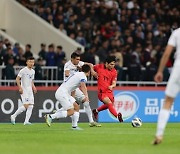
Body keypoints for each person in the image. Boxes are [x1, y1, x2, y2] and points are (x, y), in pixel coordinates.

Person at [153, 28, 180, 145]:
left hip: (178, 68)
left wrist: (160, 71)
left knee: (168, 101)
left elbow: (167, 53)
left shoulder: (177, 32)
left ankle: (159, 134)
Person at [45, 64, 91, 130]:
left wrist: (72, 98)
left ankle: (74, 126)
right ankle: (51, 116)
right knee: (71, 111)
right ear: (89, 71)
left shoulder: (77, 74)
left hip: (65, 93)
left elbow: (73, 87)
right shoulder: (83, 76)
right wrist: (86, 96)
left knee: (76, 106)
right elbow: (83, 86)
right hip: (62, 93)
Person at [63, 52, 101, 127]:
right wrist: (76, 71)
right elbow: (67, 74)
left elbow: (90, 64)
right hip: (68, 88)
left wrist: (92, 72)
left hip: (75, 88)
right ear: (72, 59)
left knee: (86, 102)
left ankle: (91, 121)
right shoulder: (67, 65)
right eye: (76, 59)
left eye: (79, 59)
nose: (78, 61)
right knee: (72, 106)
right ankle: (58, 113)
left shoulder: (79, 63)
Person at [92, 56, 123, 123]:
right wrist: (93, 72)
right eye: (111, 64)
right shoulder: (99, 67)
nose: (113, 66)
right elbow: (91, 66)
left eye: (114, 64)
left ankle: (96, 111)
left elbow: (114, 83)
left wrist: (112, 86)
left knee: (109, 105)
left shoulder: (114, 71)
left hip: (109, 92)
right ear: (106, 63)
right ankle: (117, 116)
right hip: (101, 92)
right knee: (109, 103)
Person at [10, 57, 37, 125]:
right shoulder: (23, 70)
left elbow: (31, 81)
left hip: (30, 90)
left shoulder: (33, 71)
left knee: (31, 106)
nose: (31, 63)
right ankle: (13, 116)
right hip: (24, 90)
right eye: (30, 62)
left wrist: (34, 87)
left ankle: (26, 121)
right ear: (27, 62)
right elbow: (17, 79)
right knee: (26, 105)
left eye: (32, 62)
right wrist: (20, 88)